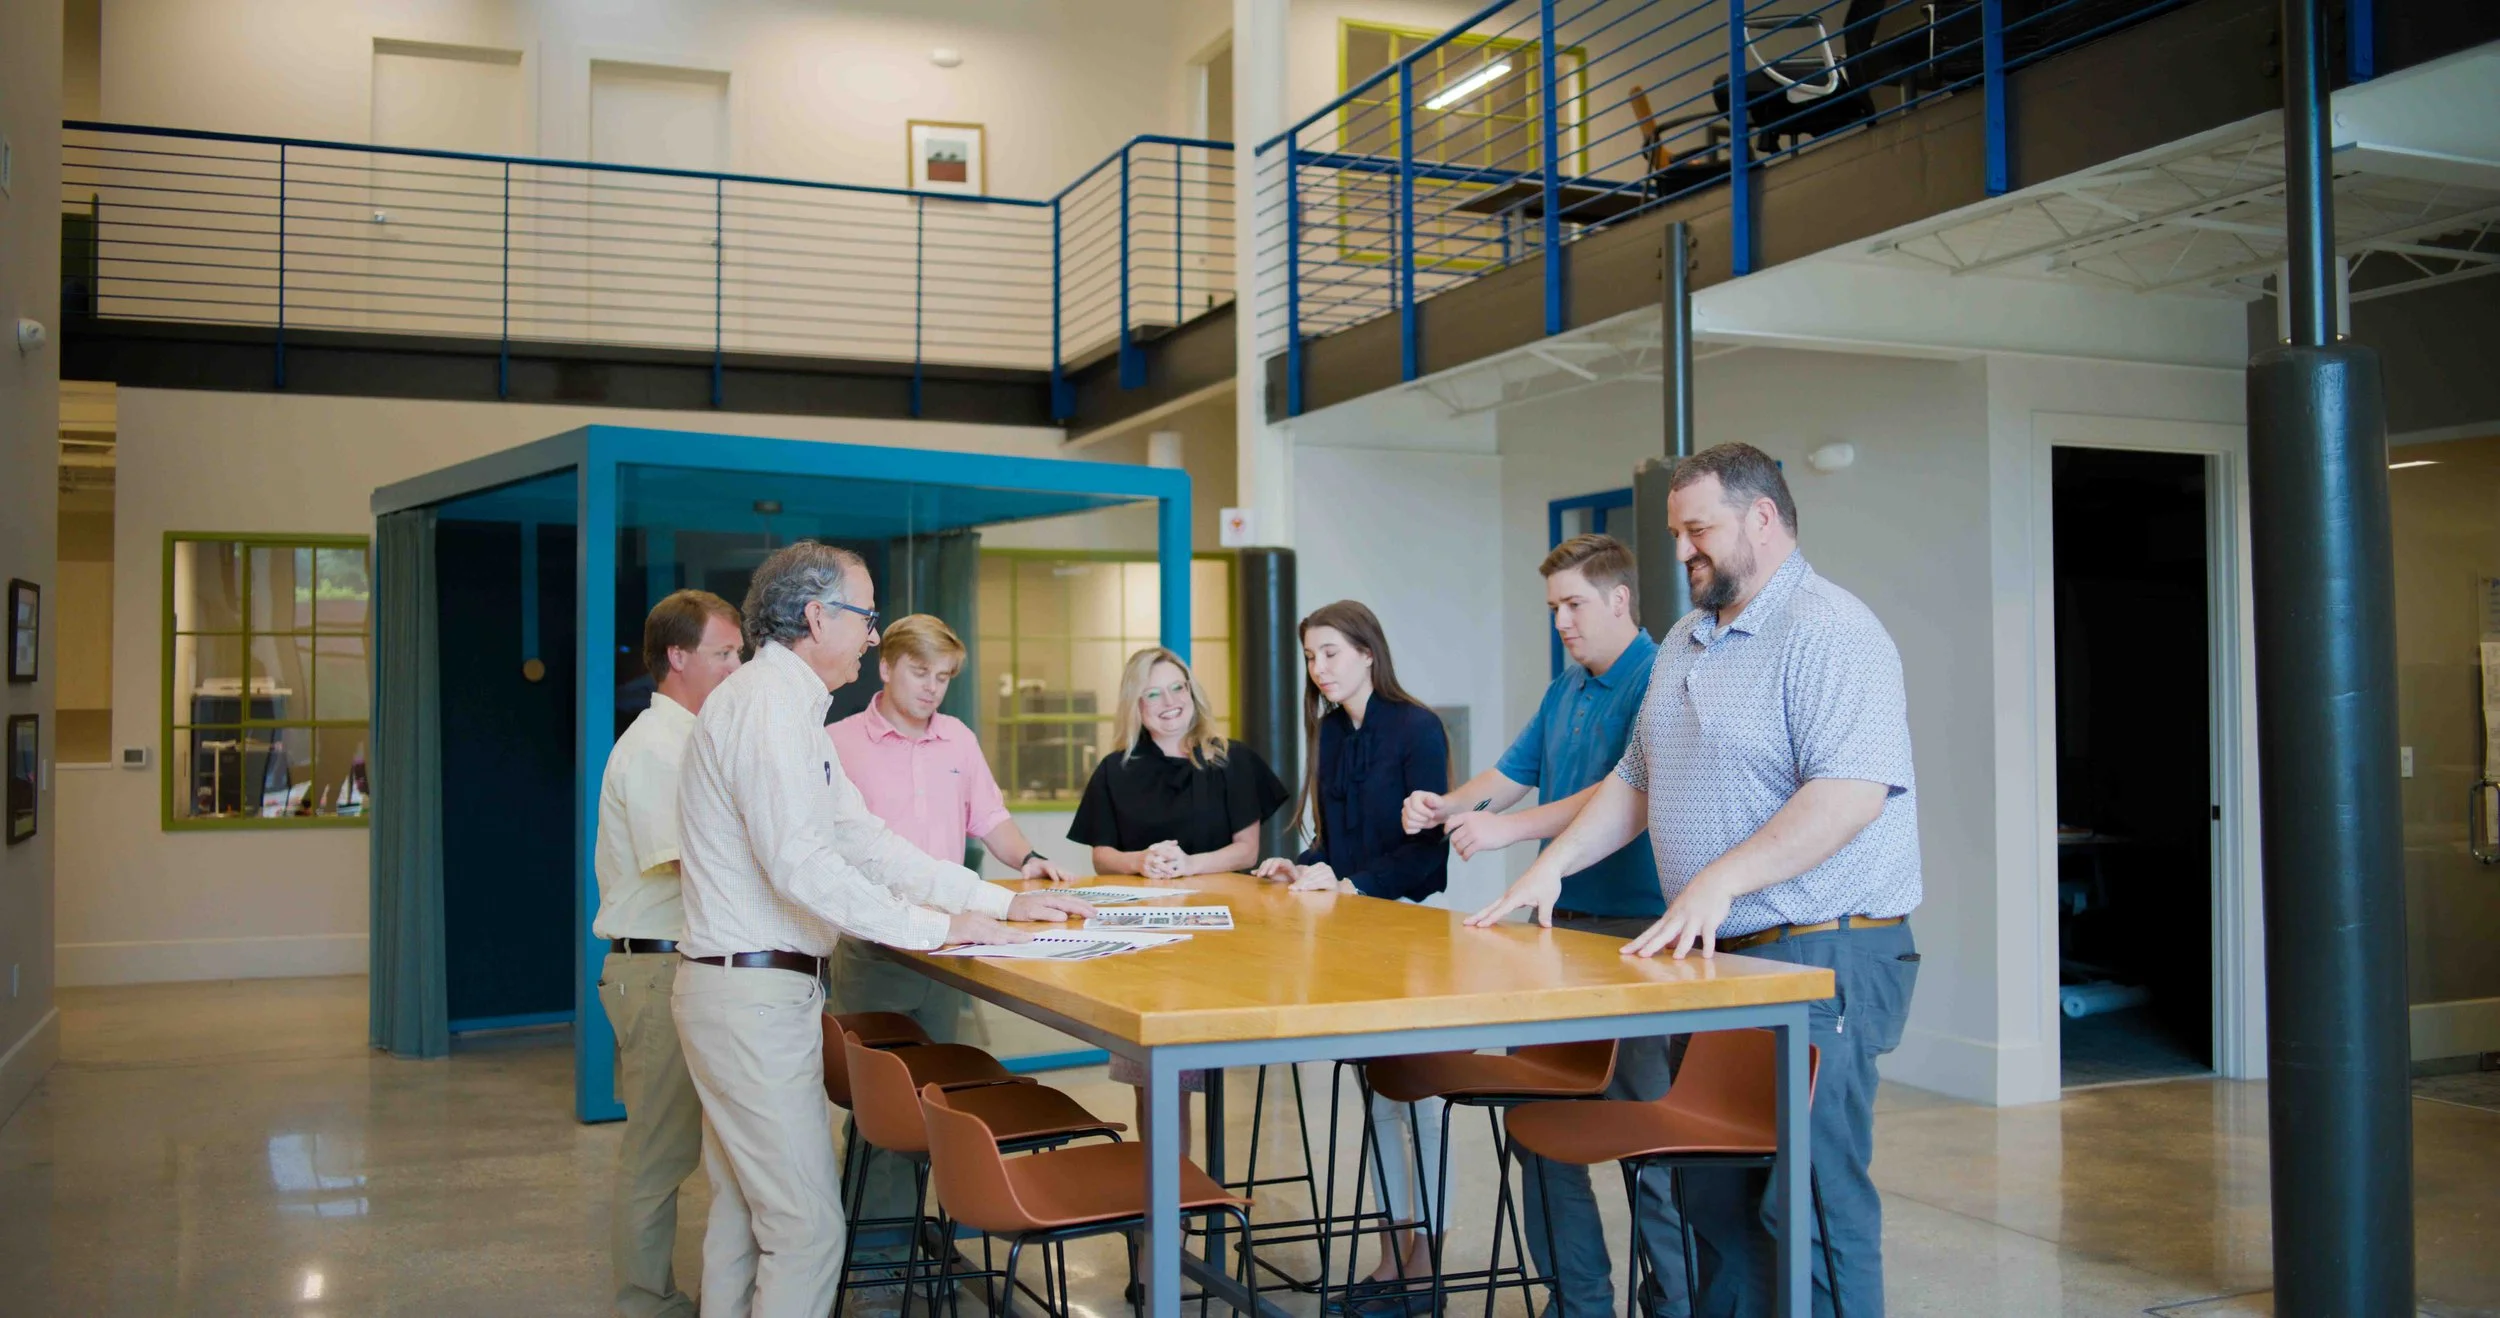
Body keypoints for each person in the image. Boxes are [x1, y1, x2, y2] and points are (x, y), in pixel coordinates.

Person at [1467, 443, 1922, 1318]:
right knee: (1713, 1198)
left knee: (1813, 1206)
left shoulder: (1832, 629)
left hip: (1822, 953)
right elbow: (1635, 780)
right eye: (1678, 533)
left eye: (1698, 530)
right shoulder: (1687, 639)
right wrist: (1549, 869)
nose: (1682, 551)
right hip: (1716, 966)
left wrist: (1719, 879)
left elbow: (1851, 793)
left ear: (1761, 517)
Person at [671, 541, 1094, 1318]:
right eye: (865, 618)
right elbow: (805, 867)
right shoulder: (768, 708)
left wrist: (995, 905)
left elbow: (864, 840)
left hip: (746, 989)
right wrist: (938, 928)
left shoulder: (786, 707)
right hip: (751, 996)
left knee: (742, 1216)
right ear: (816, 616)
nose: (873, 637)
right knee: (805, 1230)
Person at [1399, 534, 1682, 1318]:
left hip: (1639, 934)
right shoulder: (1568, 688)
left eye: (1573, 605)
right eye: (1553, 607)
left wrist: (1511, 833)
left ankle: (1675, 1302)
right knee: (1541, 1126)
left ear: (1621, 599)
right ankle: (1579, 1302)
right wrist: (1451, 805)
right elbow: (1513, 773)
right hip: (1557, 934)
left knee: (1645, 1141)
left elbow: (1619, 794)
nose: (1561, 620)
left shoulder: (1662, 678)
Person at [827, 612, 1071, 1233]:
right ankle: (877, 1246)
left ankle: (918, 1235)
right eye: (919, 672)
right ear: (885, 667)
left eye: (943, 676)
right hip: (875, 945)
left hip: (953, 944)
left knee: (937, 1097)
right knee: (883, 1102)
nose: (932, 688)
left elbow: (989, 817)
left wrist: (1030, 859)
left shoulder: (957, 738)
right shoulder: (838, 743)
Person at [1251, 600, 1449, 1315]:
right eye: (1310, 657)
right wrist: (1297, 864)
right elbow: (1335, 843)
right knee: (1378, 1105)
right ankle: (1390, 1257)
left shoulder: (1418, 728)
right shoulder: (1332, 732)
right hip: (1349, 939)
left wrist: (1352, 882)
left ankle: (1423, 1263)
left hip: (1406, 936)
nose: (1318, 668)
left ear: (1369, 652)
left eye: (1330, 653)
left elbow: (1428, 859)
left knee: (1415, 1101)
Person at [592, 589, 744, 1318]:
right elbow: (694, 863)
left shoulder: (694, 739)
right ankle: (646, 1304)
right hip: (655, 970)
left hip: (684, 966)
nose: (737, 665)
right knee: (658, 1157)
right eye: (725, 652)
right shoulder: (657, 748)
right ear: (677, 658)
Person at [1069, 645, 1289, 1141]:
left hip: (1219, 942)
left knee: (1185, 1073)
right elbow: (1102, 855)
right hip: (1142, 944)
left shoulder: (1231, 760)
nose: (1168, 701)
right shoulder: (1115, 770)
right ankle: (1170, 1203)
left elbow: (1245, 850)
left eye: (1176, 687)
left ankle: (1181, 1201)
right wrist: (1140, 862)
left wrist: (1190, 866)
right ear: (1136, 705)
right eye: (1152, 693)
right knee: (1151, 1081)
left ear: (1191, 692)